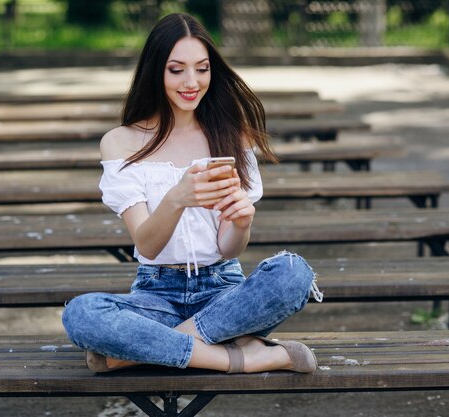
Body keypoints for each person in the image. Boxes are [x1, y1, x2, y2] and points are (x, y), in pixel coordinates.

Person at [62, 12, 323, 374]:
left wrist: (243, 222)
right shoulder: (120, 142)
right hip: (157, 295)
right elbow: (148, 246)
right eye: (176, 69)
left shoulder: (233, 135)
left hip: (223, 292)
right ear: (156, 71)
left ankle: (134, 352)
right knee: (81, 314)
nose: (191, 82)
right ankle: (242, 358)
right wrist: (176, 198)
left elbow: (228, 248)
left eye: (202, 69)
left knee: (294, 272)